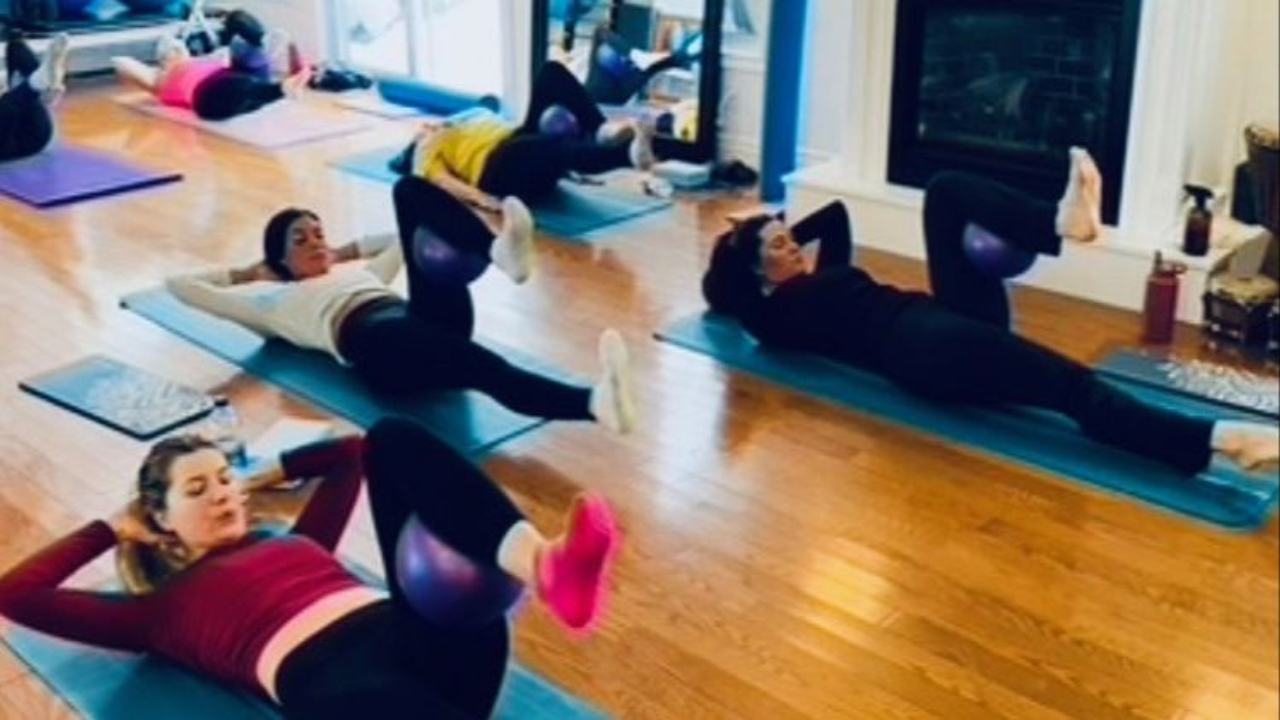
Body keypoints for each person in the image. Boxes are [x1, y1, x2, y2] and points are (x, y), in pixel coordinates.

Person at [702, 149, 1280, 476]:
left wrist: (767, 230)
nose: (794, 247)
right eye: (779, 248)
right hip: (928, 351)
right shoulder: (774, 320)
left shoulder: (807, 281)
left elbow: (834, 219)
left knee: (945, 190)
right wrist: (743, 245)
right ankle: (1225, 440)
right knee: (1074, 389)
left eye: (789, 238)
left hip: (941, 319)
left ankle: (1058, 222)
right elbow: (743, 308)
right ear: (756, 278)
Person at [0, 416, 620, 718]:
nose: (222, 493)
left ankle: (545, 564)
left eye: (224, 479)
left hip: (417, 631)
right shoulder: (154, 613)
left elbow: (352, 454)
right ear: (159, 517)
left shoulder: (302, 540)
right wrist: (112, 526)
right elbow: (15, 594)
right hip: (339, 681)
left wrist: (258, 473)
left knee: (391, 439)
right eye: (197, 489)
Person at [166, 180, 636, 434]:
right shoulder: (271, 303)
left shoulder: (361, 274)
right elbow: (182, 287)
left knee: (408, 192)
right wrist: (247, 274)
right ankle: (592, 404)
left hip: (416, 320)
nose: (316, 242)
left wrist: (343, 252)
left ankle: (498, 252)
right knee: (484, 369)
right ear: (279, 258)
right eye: (300, 239)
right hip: (376, 345)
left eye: (319, 233)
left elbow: (398, 241)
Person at [398, 61, 659, 210]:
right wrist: (484, 200)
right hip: (497, 168)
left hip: (518, 141)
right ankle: (628, 154)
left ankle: (600, 130)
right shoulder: (426, 147)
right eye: (420, 130)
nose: (424, 126)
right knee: (557, 147)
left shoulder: (462, 120)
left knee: (550, 73)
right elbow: (443, 182)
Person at [110, 10, 309, 122]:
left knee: (237, 22)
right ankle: (281, 88)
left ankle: (260, 44)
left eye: (175, 51)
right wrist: (154, 76)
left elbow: (226, 57)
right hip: (209, 95)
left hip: (238, 77)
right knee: (236, 87)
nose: (172, 55)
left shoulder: (200, 60)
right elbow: (120, 63)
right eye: (167, 56)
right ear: (161, 63)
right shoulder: (158, 83)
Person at [0, 33, 68, 163]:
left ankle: (48, 86)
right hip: (24, 142)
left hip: (32, 124)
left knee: (15, 47)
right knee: (7, 101)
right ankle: (39, 82)